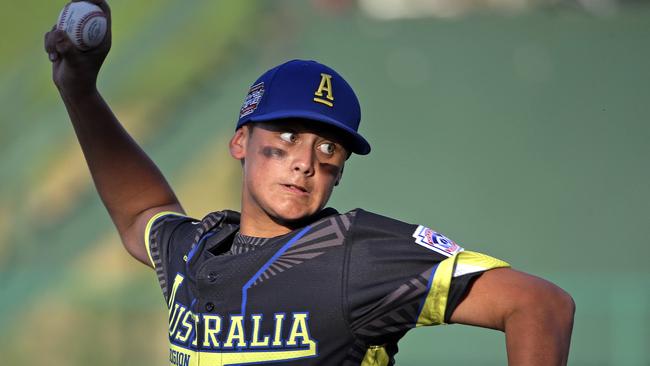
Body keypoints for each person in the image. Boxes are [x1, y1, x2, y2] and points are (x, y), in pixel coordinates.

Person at [44, 1, 575, 365]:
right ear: (240, 142)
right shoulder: (196, 251)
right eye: (289, 134)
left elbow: (539, 304)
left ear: (340, 170)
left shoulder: (355, 253)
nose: (305, 161)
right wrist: (80, 90)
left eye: (328, 148)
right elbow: (141, 213)